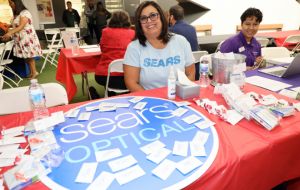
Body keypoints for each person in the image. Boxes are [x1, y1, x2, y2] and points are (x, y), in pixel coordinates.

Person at [124, 1, 195, 92]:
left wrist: (180, 96)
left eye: (153, 15)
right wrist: (155, 100)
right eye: (143, 18)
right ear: (139, 24)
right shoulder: (134, 48)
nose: (149, 21)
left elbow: (190, 74)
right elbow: (131, 83)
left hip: (179, 99)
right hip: (150, 101)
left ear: (161, 17)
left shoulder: (181, 41)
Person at [94, 10, 135, 97]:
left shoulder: (105, 32)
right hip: (128, 76)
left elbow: (102, 48)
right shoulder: (132, 33)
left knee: (109, 83)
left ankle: (109, 96)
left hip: (104, 76)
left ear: (112, 20)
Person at [0, 0, 42, 79]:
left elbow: (21, 26)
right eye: (9, 3)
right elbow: (15, 25)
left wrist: (10, 33)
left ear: (17, 2)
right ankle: (32, 72)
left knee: (30, 56)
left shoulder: (25, 13)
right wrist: (7, 26)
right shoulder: (17, 14)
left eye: (11, 3)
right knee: (26, 57)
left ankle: (34, 72)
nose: (10, 5)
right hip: (20, 39)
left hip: (27, 38)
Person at [168, 5, 200, 79]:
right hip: (196, 67)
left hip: (183, 71)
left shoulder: (170, 30)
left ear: (171, 17)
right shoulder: (192, 28)